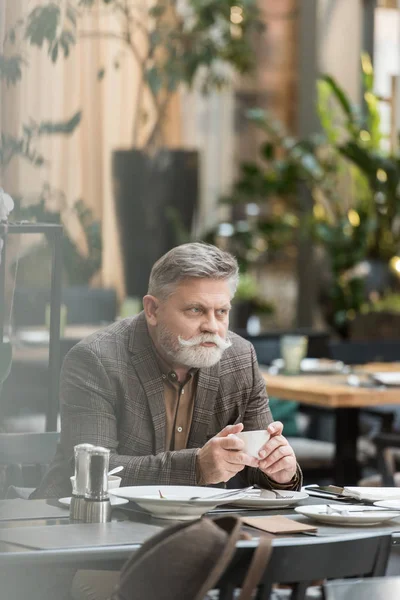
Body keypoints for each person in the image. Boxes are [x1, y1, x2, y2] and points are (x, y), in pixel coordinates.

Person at [34, 242, 301, 499]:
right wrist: (196, 468)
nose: (212, 326)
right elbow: (91, 472)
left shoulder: (240, 358)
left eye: (221, 312)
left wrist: (281, 472)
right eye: (196, 310)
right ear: (152, 310)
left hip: (199, 528)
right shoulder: (96, 359)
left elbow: (259, 465)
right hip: (87, 525)